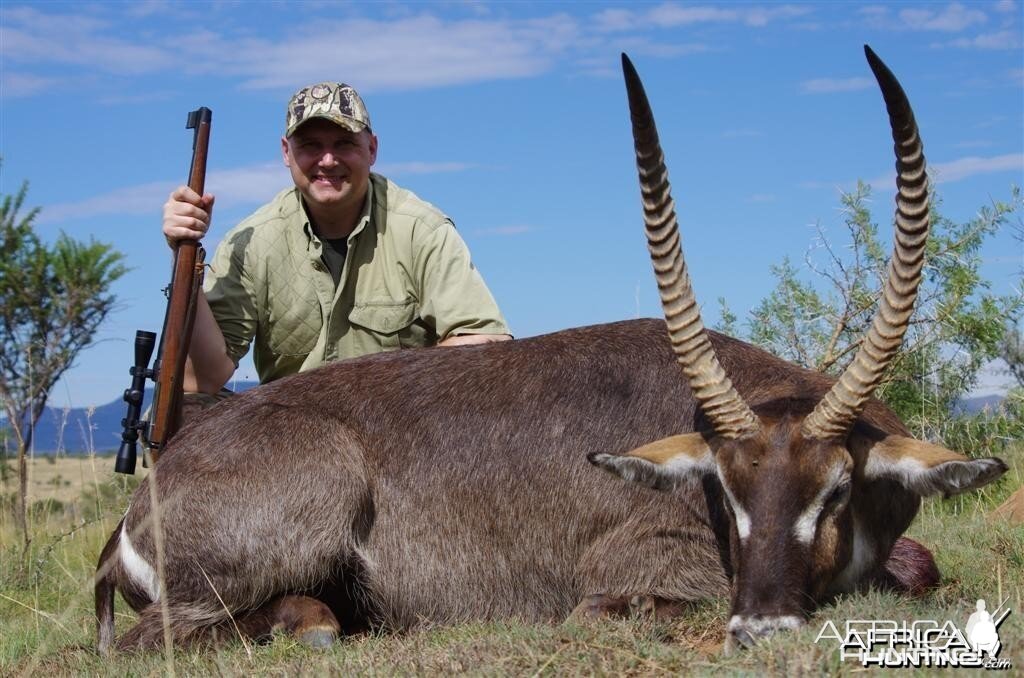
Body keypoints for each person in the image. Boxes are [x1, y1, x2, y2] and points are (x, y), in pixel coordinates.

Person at [162, 82, 511, 396]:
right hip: (288, 436)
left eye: (344, 144)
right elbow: (201, 381)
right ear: (286, 152)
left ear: (372, 149)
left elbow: (485, 342)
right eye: (311, 145)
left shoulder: (422, 228)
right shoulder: (250, 242)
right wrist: (184, 261)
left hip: (399, 431)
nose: (327, 160)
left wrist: (378, 395)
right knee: (179, 410)